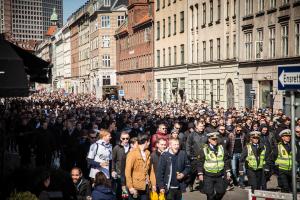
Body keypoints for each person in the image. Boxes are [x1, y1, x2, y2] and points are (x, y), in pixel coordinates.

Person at [197, 132, 231, 200]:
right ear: (209, 140)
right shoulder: (204, 149)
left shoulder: (221, 148)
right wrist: (200, 173)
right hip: (208, 175)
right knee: (209, 194)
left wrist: (228, 171)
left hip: (219, 175)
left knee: (221, 192)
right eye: (213, 139)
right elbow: (200, 162)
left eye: (216, 139)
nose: (215, 140)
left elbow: (226, 160)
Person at [125, 133, 152, 200]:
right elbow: (127, 171)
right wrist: (130, 187)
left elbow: (149, 170)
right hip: (135, 186)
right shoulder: (132, 154)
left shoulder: (147, 153)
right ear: (146, 142)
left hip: (145, 185)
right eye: (149, 142)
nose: (149, 143)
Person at [185, 121, 207, 191]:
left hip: (203, 157)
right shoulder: (192, 135)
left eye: (203, 126)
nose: (202, 127)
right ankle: (190, 183)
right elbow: (188, 145)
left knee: (202, 172)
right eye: (200, 126)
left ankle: (202, 186)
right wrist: (189, 155)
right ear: (196, 126)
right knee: (193, 173)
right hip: (194, 157)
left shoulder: (206, 134)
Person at [111, 131, 130, 199]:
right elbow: (113, 160)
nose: (125, 140)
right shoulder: (116, 148)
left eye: (127, 138)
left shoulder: (131, 148)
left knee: (127, 194)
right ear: (120, 139)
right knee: (120, 193)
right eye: (123, 138)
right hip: (119, 174)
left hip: (128, 174)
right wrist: (113, 170)